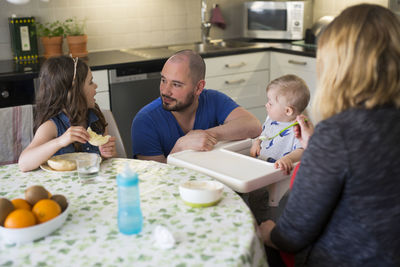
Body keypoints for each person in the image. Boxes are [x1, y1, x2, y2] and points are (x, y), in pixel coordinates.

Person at [259, 4, 400, 266]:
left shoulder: (339, 133)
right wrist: (316, 148)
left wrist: (269, 235)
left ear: (339, 68)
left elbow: (294, 233)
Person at [131, 50, 262, 163]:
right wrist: (180, 147)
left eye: (176, 84)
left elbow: (254, 125)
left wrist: (208, 135)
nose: (165, 91)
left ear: (199, 87)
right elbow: (154, 179)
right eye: (163, 80)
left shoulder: (213, 99)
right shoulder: (145, 121)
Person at [18, 56, 116, 172]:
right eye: (90, 82)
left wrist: (107, 154)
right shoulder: (51, 127)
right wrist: (59, 141)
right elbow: (24, 164)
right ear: (74, 91)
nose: (96, 86)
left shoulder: (96, 119)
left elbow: (108, 163)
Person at [250, 74, 310, 175]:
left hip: (277, 175)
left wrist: (288, 159)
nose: (266, 105)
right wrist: (257, 142)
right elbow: (265, 136)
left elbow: (302, 150)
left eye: (271, 103)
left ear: (287, 110)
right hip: (259, 168)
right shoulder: (272, 120)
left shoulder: (299, 128)